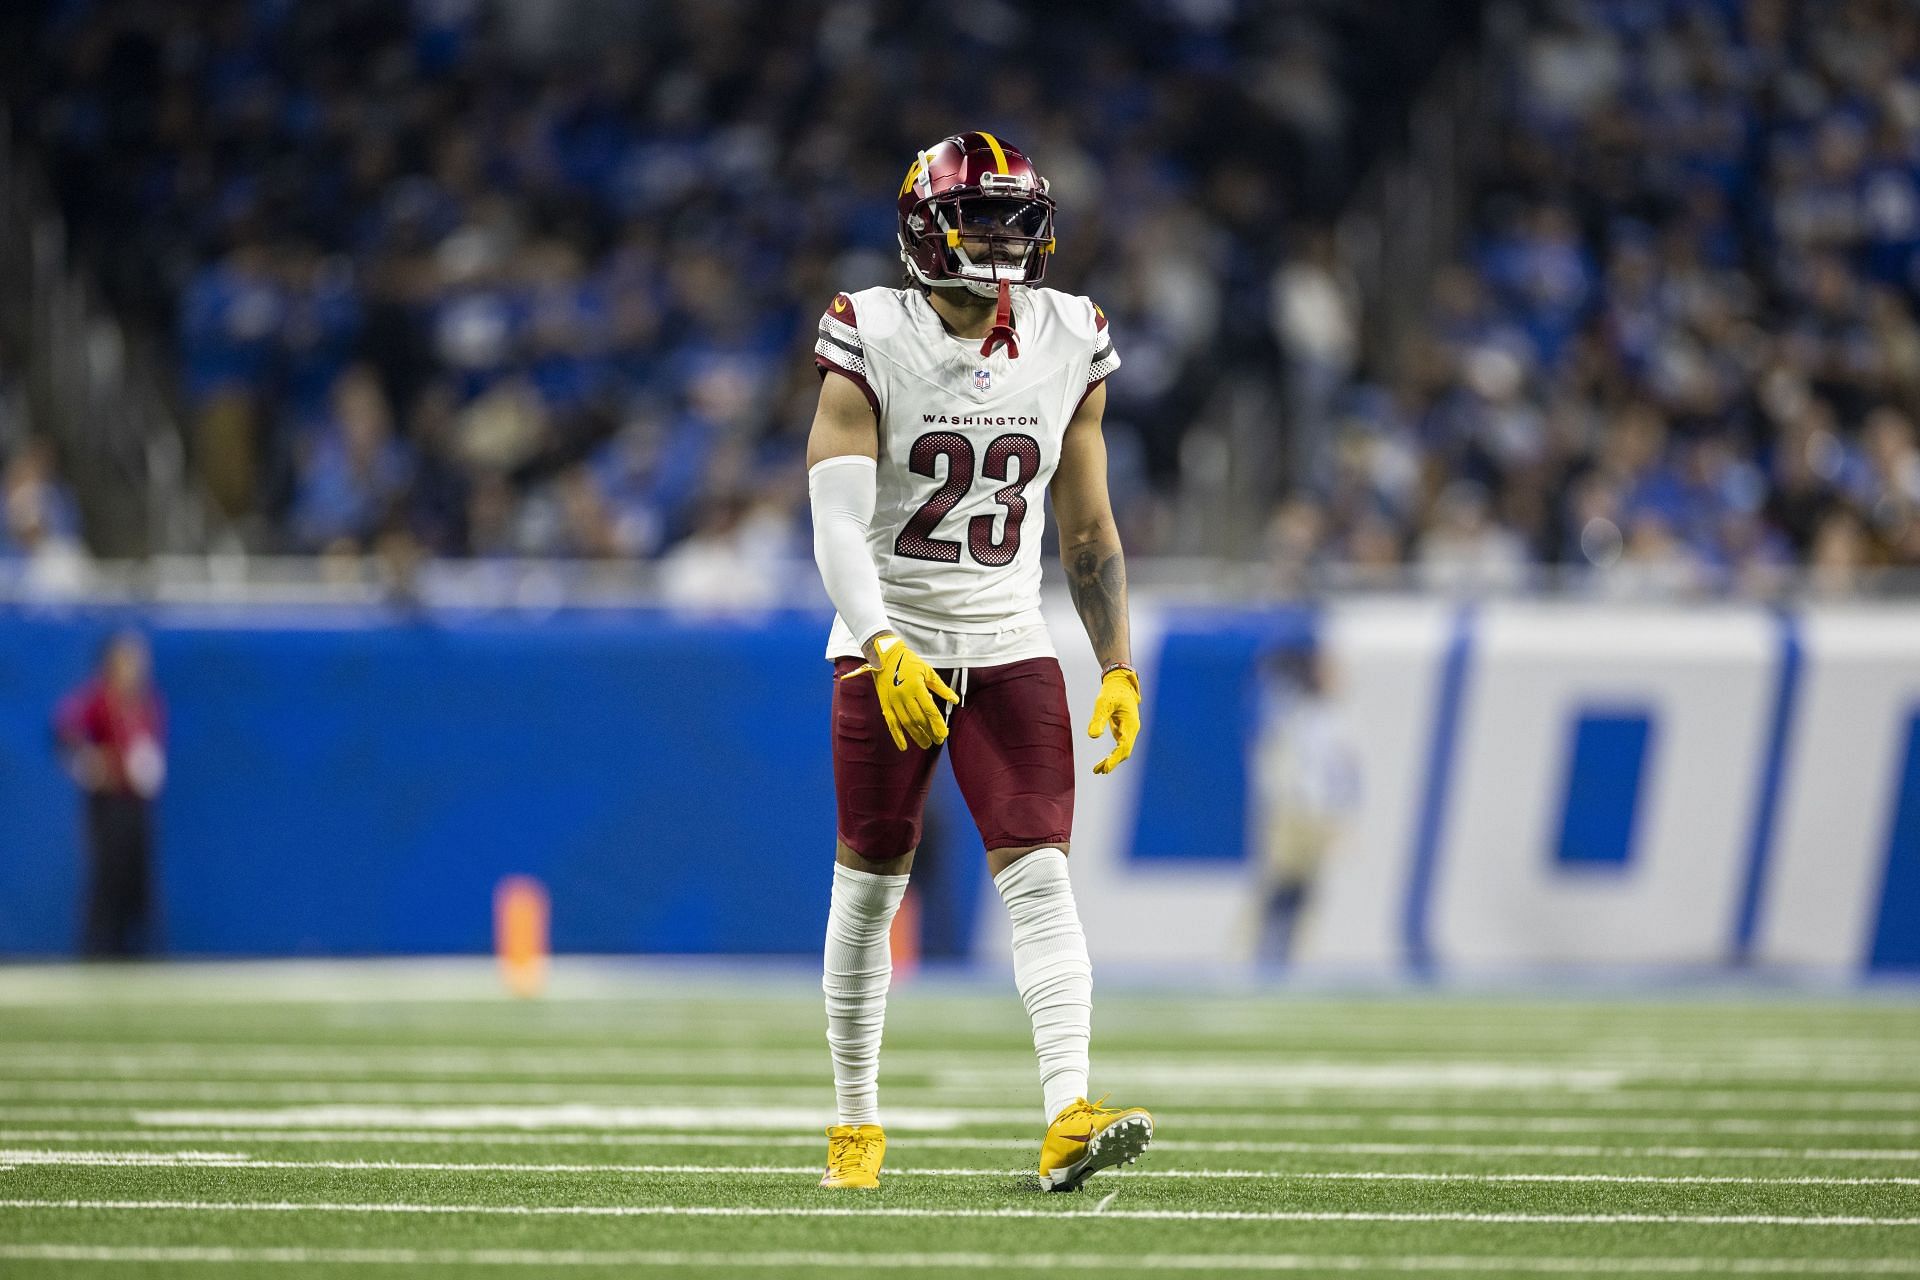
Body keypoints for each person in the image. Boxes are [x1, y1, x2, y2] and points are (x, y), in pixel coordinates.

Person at [806, 132, 1150, 1192]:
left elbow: (1087, 527)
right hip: (892, 629)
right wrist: (880, 641)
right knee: (872, 879)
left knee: (1041, 872)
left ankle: (1065, 1114)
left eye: (1017, 219)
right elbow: (834, 522)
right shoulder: (869, 329)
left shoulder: (1070, 332)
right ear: (923, 228)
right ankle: (856, 1127)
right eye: (978, 220)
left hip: (1008, 638)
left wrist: (1118, 659)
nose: (1002, 241)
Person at [53, 631, 167, 957]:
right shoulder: (97, 700)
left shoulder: (146, 702)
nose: (136, 668)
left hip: (139, 803)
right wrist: (89, 764)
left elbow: (148, 748)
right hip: (108, 803)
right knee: (108, 874)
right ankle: (100, 949)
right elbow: (65, 732)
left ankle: (140, 950)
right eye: (129, 660)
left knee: (139, 876)